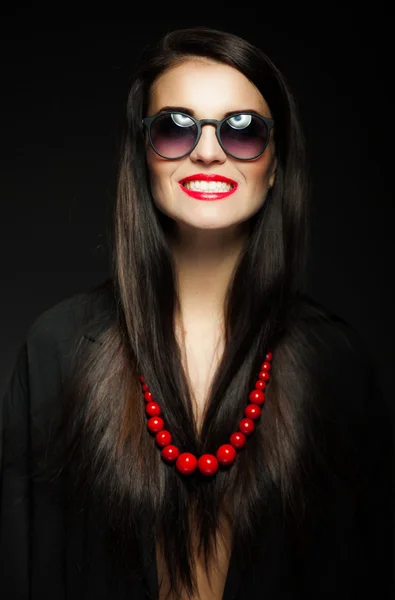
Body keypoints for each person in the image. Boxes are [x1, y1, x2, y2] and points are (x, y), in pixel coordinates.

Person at [0, 26, 392, 600]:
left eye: (243, 131)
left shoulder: (339, 367)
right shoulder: (55, 351)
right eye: (175, 127)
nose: (208, 150)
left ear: (276, 164)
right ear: (143, 155)